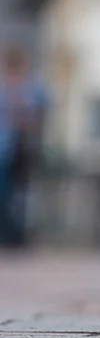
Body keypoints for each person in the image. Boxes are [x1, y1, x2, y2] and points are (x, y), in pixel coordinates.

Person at [0, 45, 48, 247]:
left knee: (17, 198)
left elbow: (34, 121)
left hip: (18, 152)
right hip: (5, 151)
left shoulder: (31, 91)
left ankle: (15, 238)